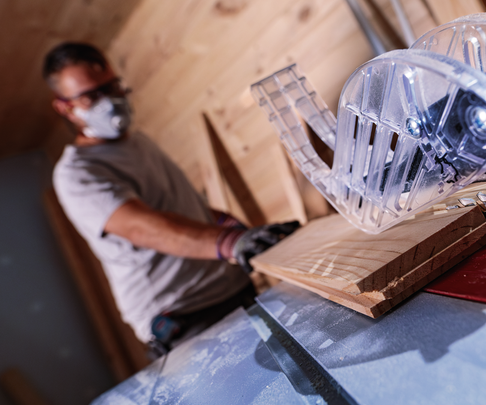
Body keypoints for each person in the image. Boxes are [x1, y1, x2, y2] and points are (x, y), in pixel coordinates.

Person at [43, 42, 298, 357]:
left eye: (112, 87)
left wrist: (230, 227)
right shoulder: (77, 173)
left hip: (229, 285)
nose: (109, 101)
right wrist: (231, 243)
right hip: (184, 314)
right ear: (65, 107)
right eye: (92, 95)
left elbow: (181, 206)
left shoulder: (138, 142)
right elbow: (144, 227)